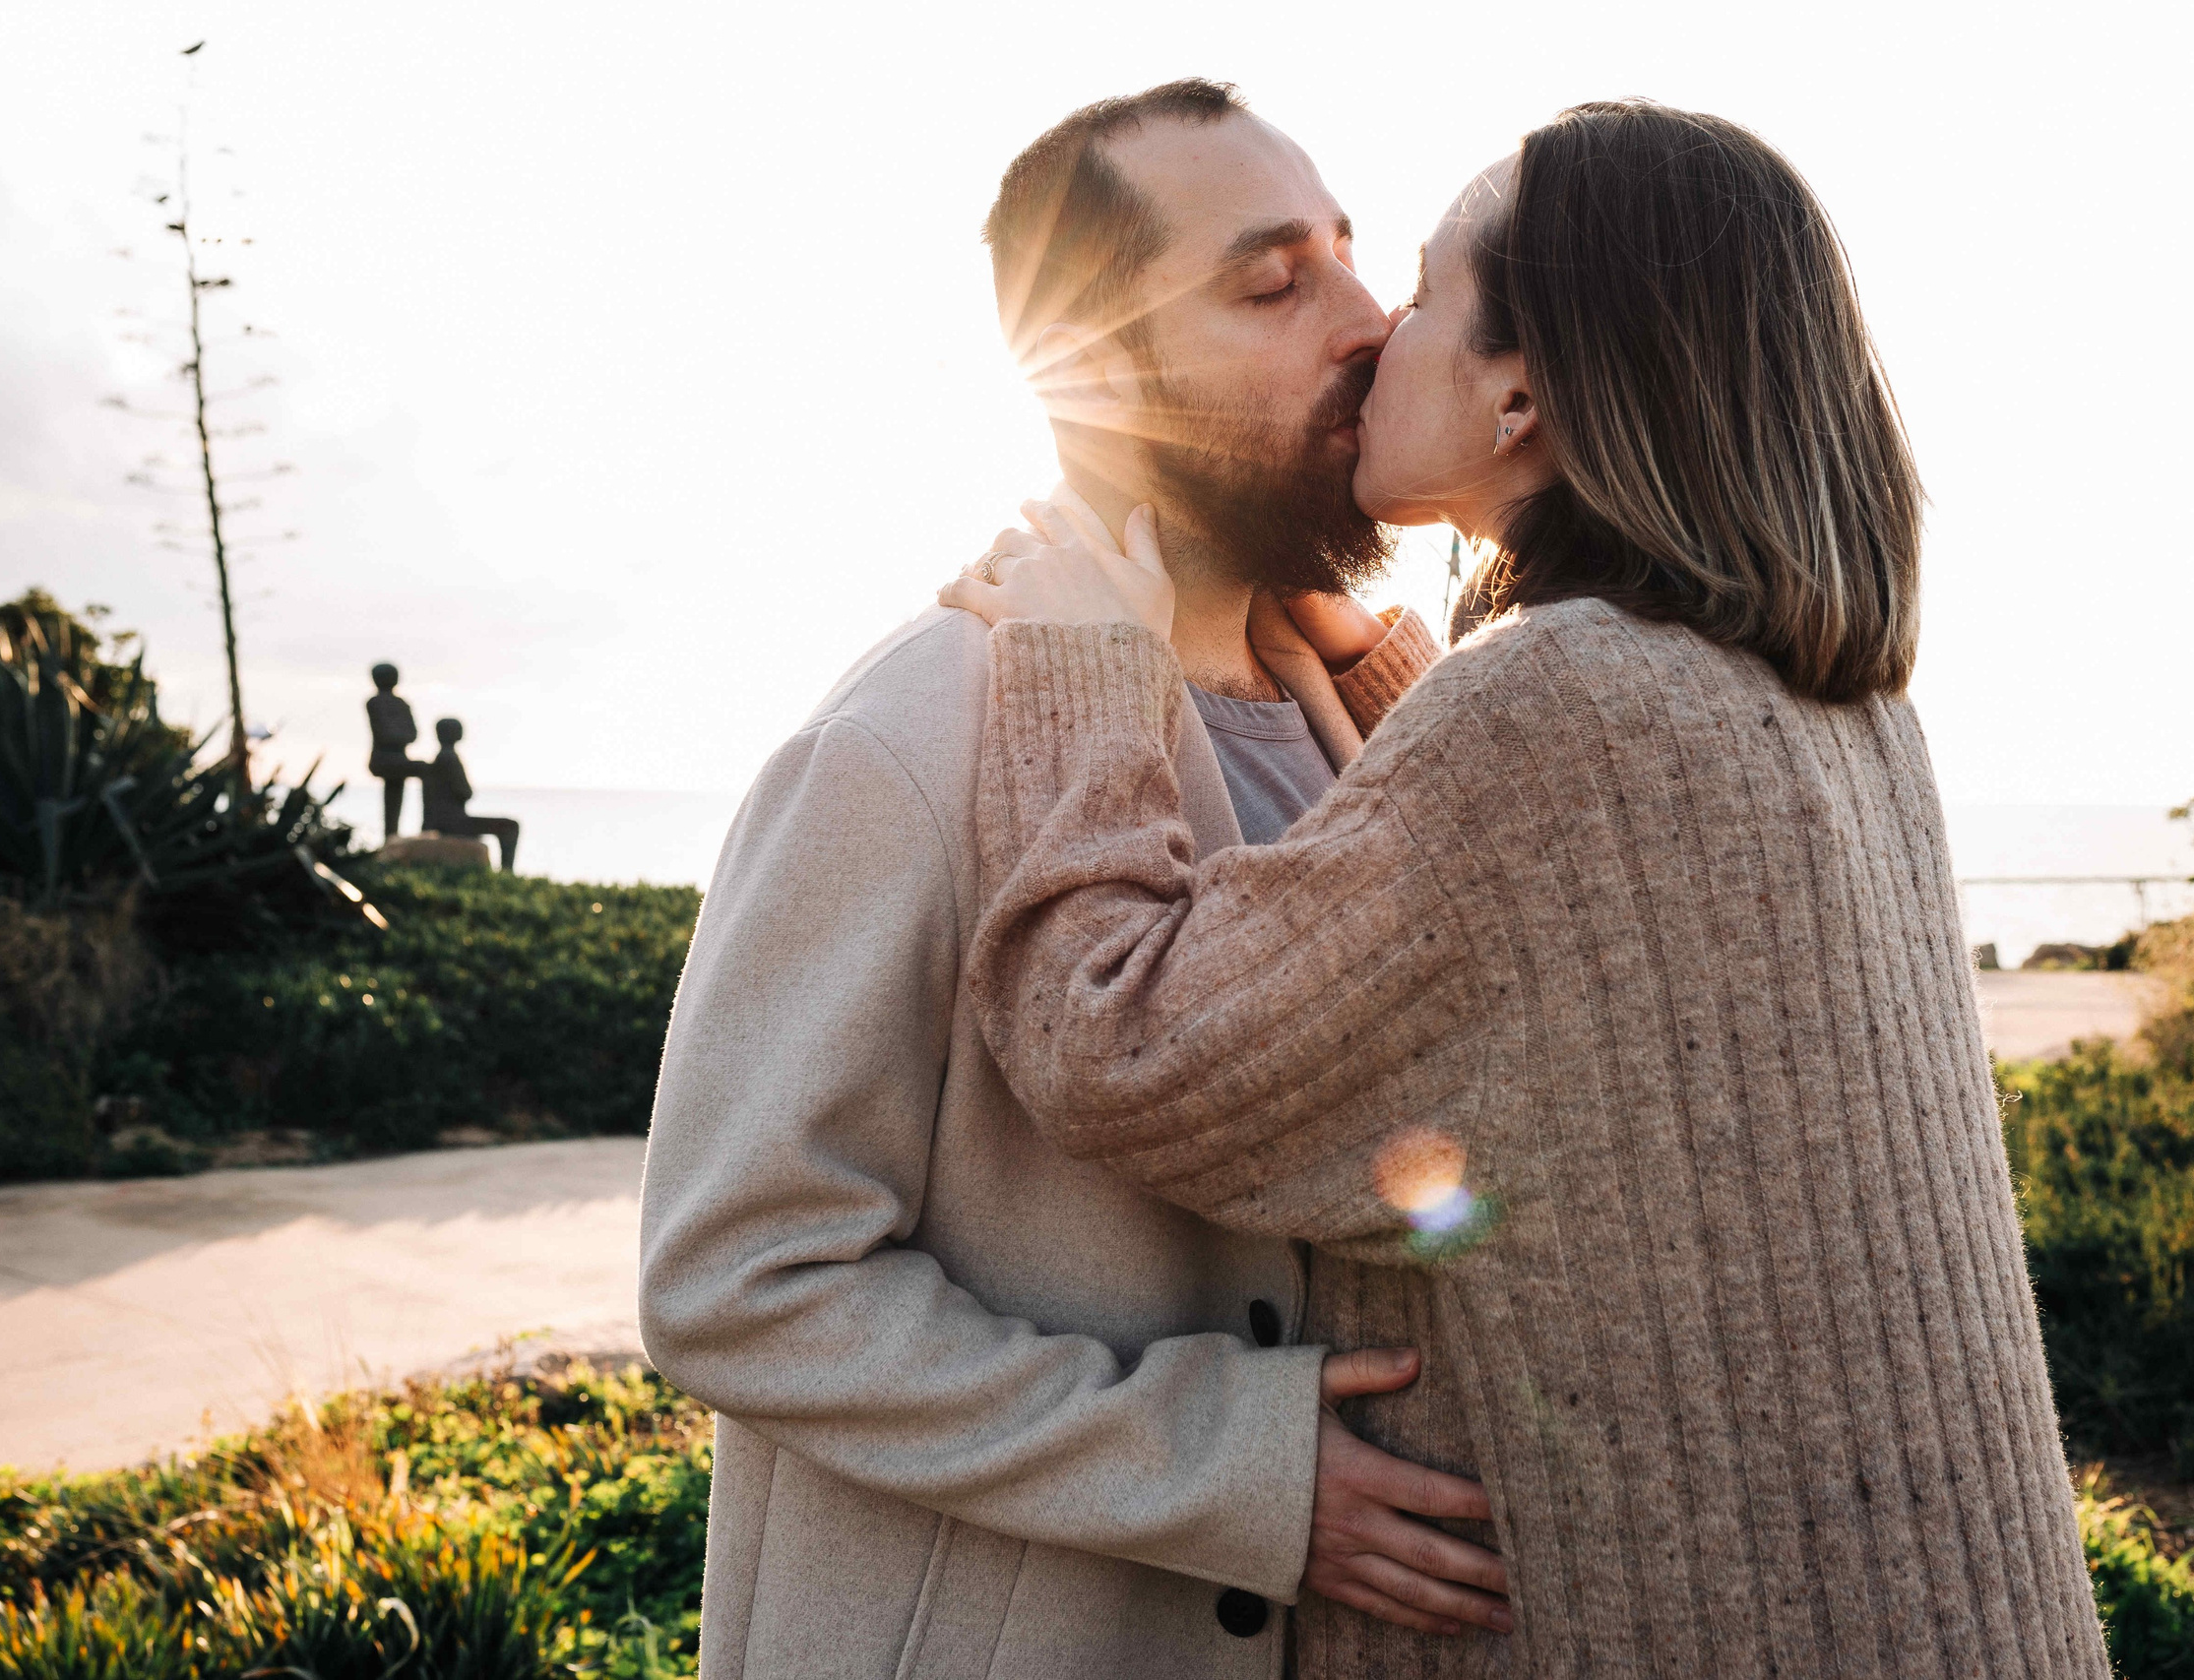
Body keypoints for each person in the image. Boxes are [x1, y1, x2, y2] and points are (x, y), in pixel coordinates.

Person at [939, 101, 2108, 1678]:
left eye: (1415, 291)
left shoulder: (1560, 709)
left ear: (1523, 394)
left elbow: (1123, 1038)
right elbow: (1560, 970)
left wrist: (1084, 660)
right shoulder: (1825, 704)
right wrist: (1403, 669)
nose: (1373, 335)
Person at [635, 81, 1508, 1680]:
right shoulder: (910, 734)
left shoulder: (1348, 697)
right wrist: (1221, 1462)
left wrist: (1386, 671)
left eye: (1350, 258)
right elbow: (732, 1277)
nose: (1370, 323)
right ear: (1098, 373)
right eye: (1272, 284)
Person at [417, 717, 521, 871]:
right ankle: (507, 873)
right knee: (510, 826)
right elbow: (465, 792)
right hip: (452, 822)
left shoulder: (443, 757)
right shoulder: (449, 758)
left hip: (445, 820)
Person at [364, 663, 421, 840]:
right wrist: (399, 736)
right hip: (383, 759)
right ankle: (391, 835)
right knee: (423, 772)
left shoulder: (401, 703)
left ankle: (393, 835)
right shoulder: (375, 702)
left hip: (399, 757)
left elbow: (412, 734)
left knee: (395, 796)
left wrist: (398, 736)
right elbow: (385, 734)